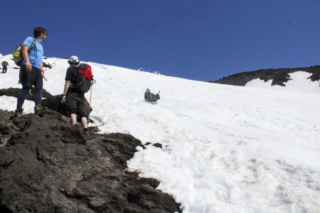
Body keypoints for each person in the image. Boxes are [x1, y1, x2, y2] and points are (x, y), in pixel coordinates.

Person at [14, 27, 47, 117]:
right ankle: (19, 109)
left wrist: (42, 70)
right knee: (26, 88)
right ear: (41, 33)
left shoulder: (41, 46)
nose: (46, 36)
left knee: (39, 87)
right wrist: (27, 61)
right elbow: (25, 49)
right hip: (28, 66)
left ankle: (38, 106)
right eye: (45, 34)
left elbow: (40, 59)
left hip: (37, 69)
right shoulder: (30, 39)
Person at [61, 56, 90, 136]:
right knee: (82, 112)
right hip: (81, 93)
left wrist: (64, 94)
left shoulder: (70, 69)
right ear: (78, 62)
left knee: (73, 110)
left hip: (72, 92)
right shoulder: (81, 69)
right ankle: (86, 130)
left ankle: (74, 128)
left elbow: (68, 81)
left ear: (70, 62)